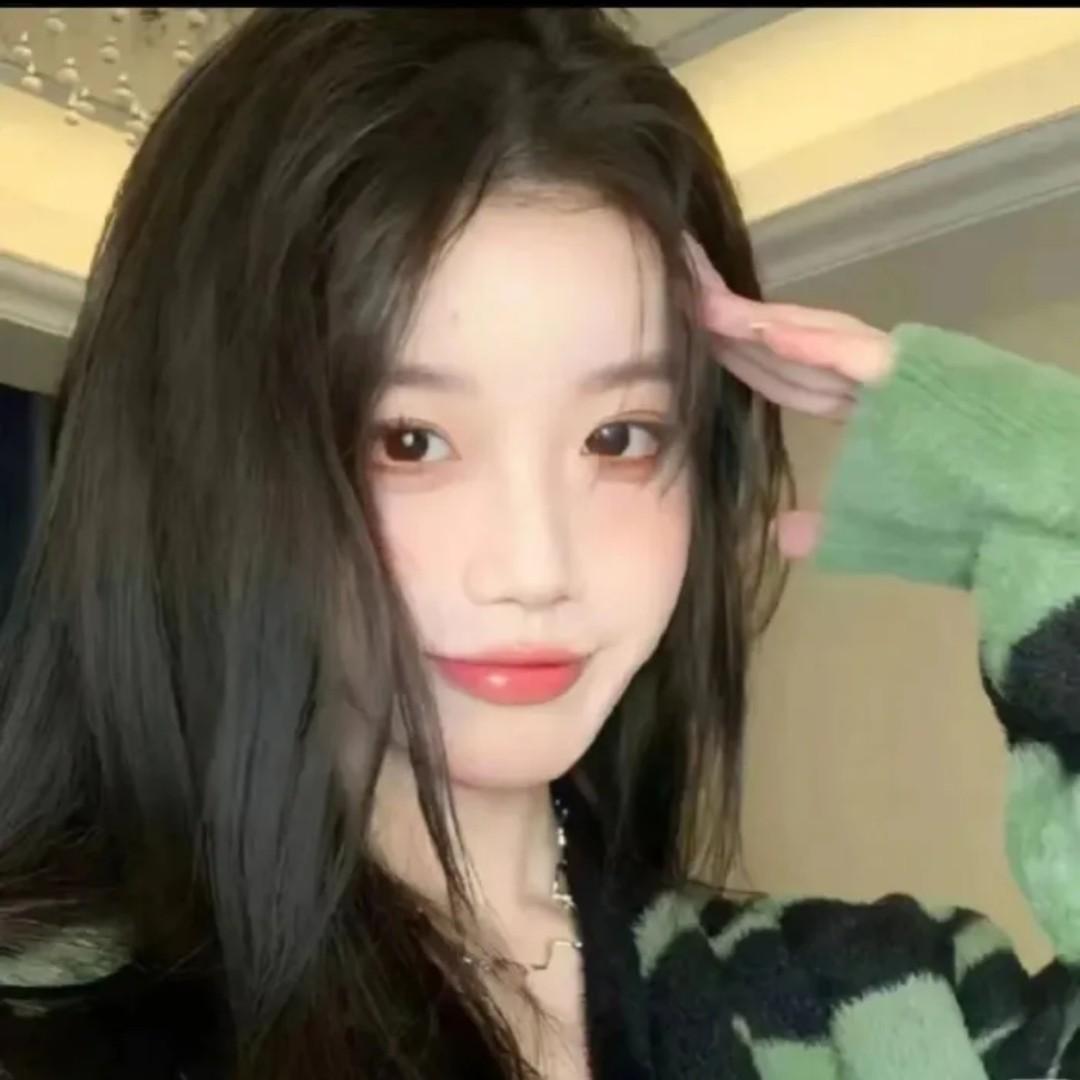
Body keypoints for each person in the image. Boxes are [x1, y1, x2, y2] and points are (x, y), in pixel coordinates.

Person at [0, 8, 1077, 1079]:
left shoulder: (884, 1006)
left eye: (619, 437)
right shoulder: (48, 1022)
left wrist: (1047, 480)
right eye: (409, 440)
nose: (538, 568)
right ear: (207, 457)